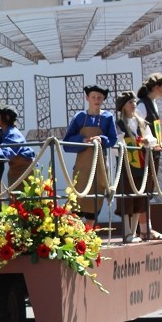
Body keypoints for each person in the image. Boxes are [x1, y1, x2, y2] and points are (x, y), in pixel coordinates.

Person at [62, 85, 117, 223]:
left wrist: (102, 139)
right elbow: (67, 142)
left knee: (95, 202)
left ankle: (90, 234)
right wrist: (82, 141)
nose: (96, 100)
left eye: (99, 97)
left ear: (103, 99)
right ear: (87, 98)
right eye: (93, 97)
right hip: (82, 168)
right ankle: (78, 238)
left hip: (100, 167)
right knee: (78, 201)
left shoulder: (108, 117)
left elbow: (113, 139)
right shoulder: (79, 117)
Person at [113, 91, 156, 242]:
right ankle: (127, 232)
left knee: (140, 198)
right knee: (126, 198)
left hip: (141, 164)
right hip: (125, 166)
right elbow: (115, 146)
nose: (133, 105)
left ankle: (135, 232)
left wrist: (147, 141)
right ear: (123, 106)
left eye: (134, 102)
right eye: (130, 102)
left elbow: (152, 140)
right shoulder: (118, 124)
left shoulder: (141, 122)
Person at [0, 106, 35, 189]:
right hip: (14, 169)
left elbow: (7, 152)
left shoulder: (14, 134)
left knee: (23, 197)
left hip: (24, 170)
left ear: (7, 118)